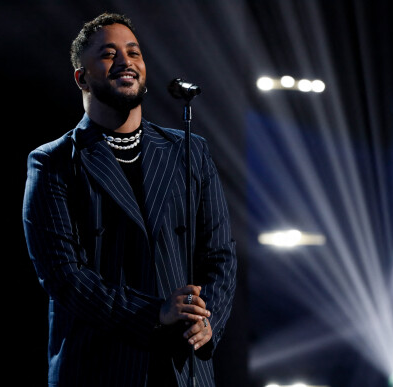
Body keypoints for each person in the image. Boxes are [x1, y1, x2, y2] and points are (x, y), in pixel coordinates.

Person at [22, 12, 237, 387]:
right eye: (108, 54)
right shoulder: (54, 162)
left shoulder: (189, 150)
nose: (126, 61)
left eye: (134, 52)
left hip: (182, 368)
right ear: (81, 77)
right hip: (99, 366)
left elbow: (220, 253)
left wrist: (208, 320)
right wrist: (154, 312)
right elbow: (63, 276)